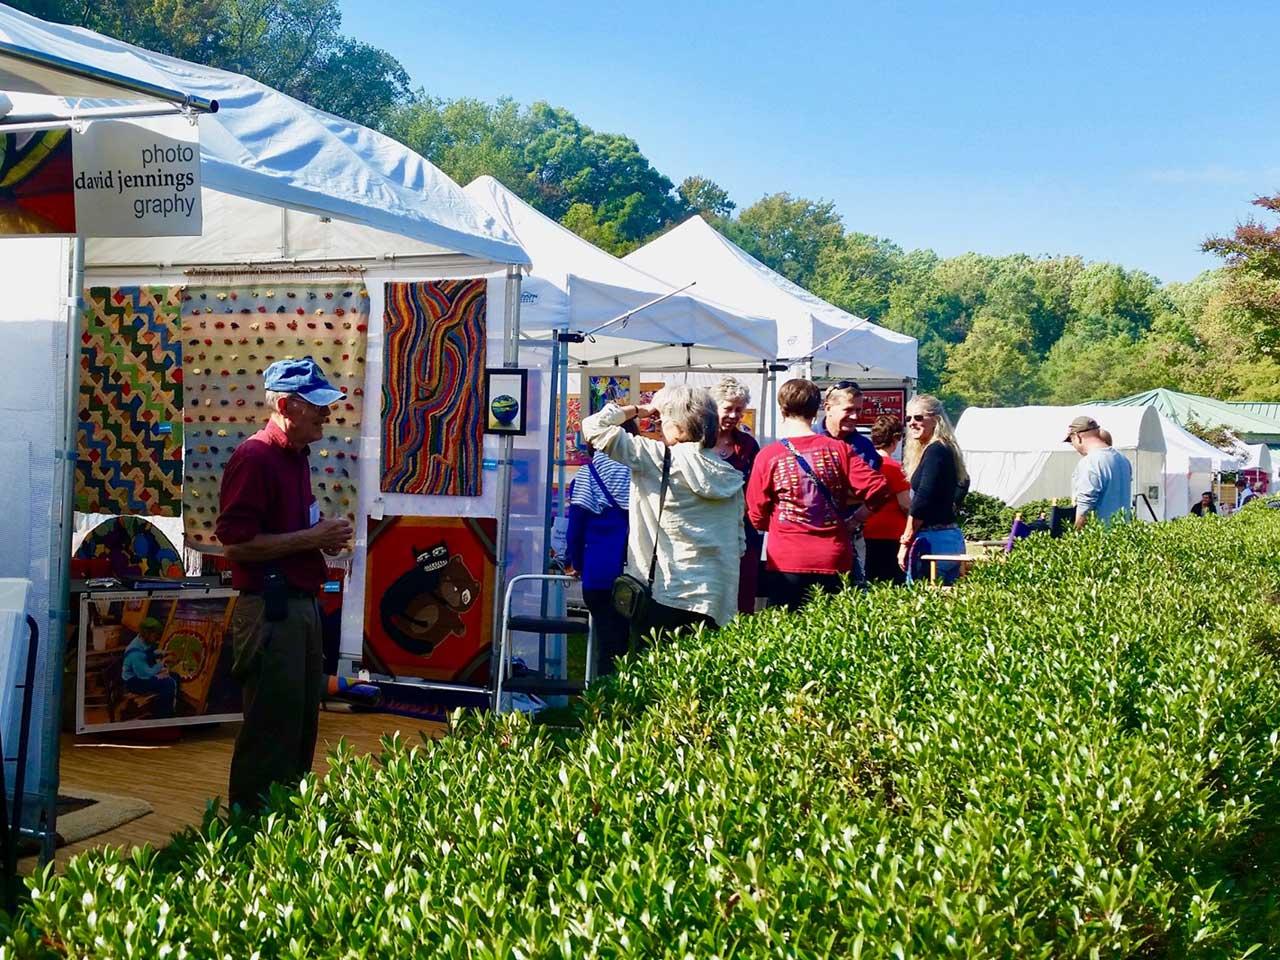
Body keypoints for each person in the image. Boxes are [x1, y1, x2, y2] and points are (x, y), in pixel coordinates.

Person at [217, 357, 354, 813]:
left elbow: (284, 534)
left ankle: (286, 827)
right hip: (271, 610)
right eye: (317, 406)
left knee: (298, 723)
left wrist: (318, 540)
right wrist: (313, 538)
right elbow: (235, 546)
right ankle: (250, 829)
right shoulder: (255, 457)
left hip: (297, 607)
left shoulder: (295, 457)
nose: (326, 415)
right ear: (286, 406)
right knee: (270, 728)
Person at [581, 385, 744, 649]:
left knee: (655, 680)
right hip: (714, 597)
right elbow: (739, 541)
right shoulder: (728, 474)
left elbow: (593, 427)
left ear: (677, 423)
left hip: (664, 592)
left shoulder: (655, 457)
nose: (658, 423)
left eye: (662, 418)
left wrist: (639, 409)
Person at [746, 379, 890, 610]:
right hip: (833, 557)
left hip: (786, 558)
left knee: (785, 635)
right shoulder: (839, 449)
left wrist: (778, 524)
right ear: (817, 410)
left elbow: (756, 514)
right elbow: (880, 489)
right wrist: (855, 519)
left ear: (782, 409)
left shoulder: (768, 455)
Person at [565, 424, 634, 675]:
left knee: (608, 642)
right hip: (636, 570)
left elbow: (576, 526)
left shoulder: (588, 474)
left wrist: (575, 562)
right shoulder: (639, 471)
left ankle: (606, 699)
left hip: (599, 570)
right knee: (633, 640)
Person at [813, 380, 883, 581]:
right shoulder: (809, 439)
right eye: (849, 409)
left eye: (858, 410)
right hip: (810, 537)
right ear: (828, 408)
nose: (855, 416)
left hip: (850, 535)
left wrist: (854, 521)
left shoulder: (863, 447)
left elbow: (873, 494)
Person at [899, 395, 970, 584]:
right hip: (949, 537)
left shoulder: (936, 450)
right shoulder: (945, 449)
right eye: (908, 418)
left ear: (936, 419)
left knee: (922, 605)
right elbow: (963, 484)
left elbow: (922, 499)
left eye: (918, 417)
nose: (912, 423)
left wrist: (905, 541)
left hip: (932, 542)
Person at [709, 376, 762, 614]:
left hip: (742, 531)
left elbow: (756, 487)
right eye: (728, 409)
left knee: (742, 597)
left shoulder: (748, 445)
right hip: (709, 531)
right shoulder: (698, 442)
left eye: (739, 410)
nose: (733, 415)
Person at [863, 414, 912, 585]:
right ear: (896, 438)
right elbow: (905, 504)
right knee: (891, 584)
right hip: (890, 535)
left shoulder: (864, 465)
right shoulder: (894, 468)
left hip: (866, 531)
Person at [1065, 415, 1133, 528]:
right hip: (1123, 534)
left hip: (1099, 538)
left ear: (1077, 436)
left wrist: (1075, 535)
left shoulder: (1090, 462)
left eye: (1071, 441)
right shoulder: (1123, 459)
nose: (1073, 446)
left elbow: (1085, 505)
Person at [121, 617, 178, 718]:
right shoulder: (135, 654)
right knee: (168, 683)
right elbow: (147, 674)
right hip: (134, 682)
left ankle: (161, 706)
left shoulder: (140, 640)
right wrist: (163, 662)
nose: (157, 638)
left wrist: (164, 653)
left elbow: (148, 653)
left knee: (174, 676)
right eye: (155, 635)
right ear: (147, 633)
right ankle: (162, 716)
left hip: (140, 674)